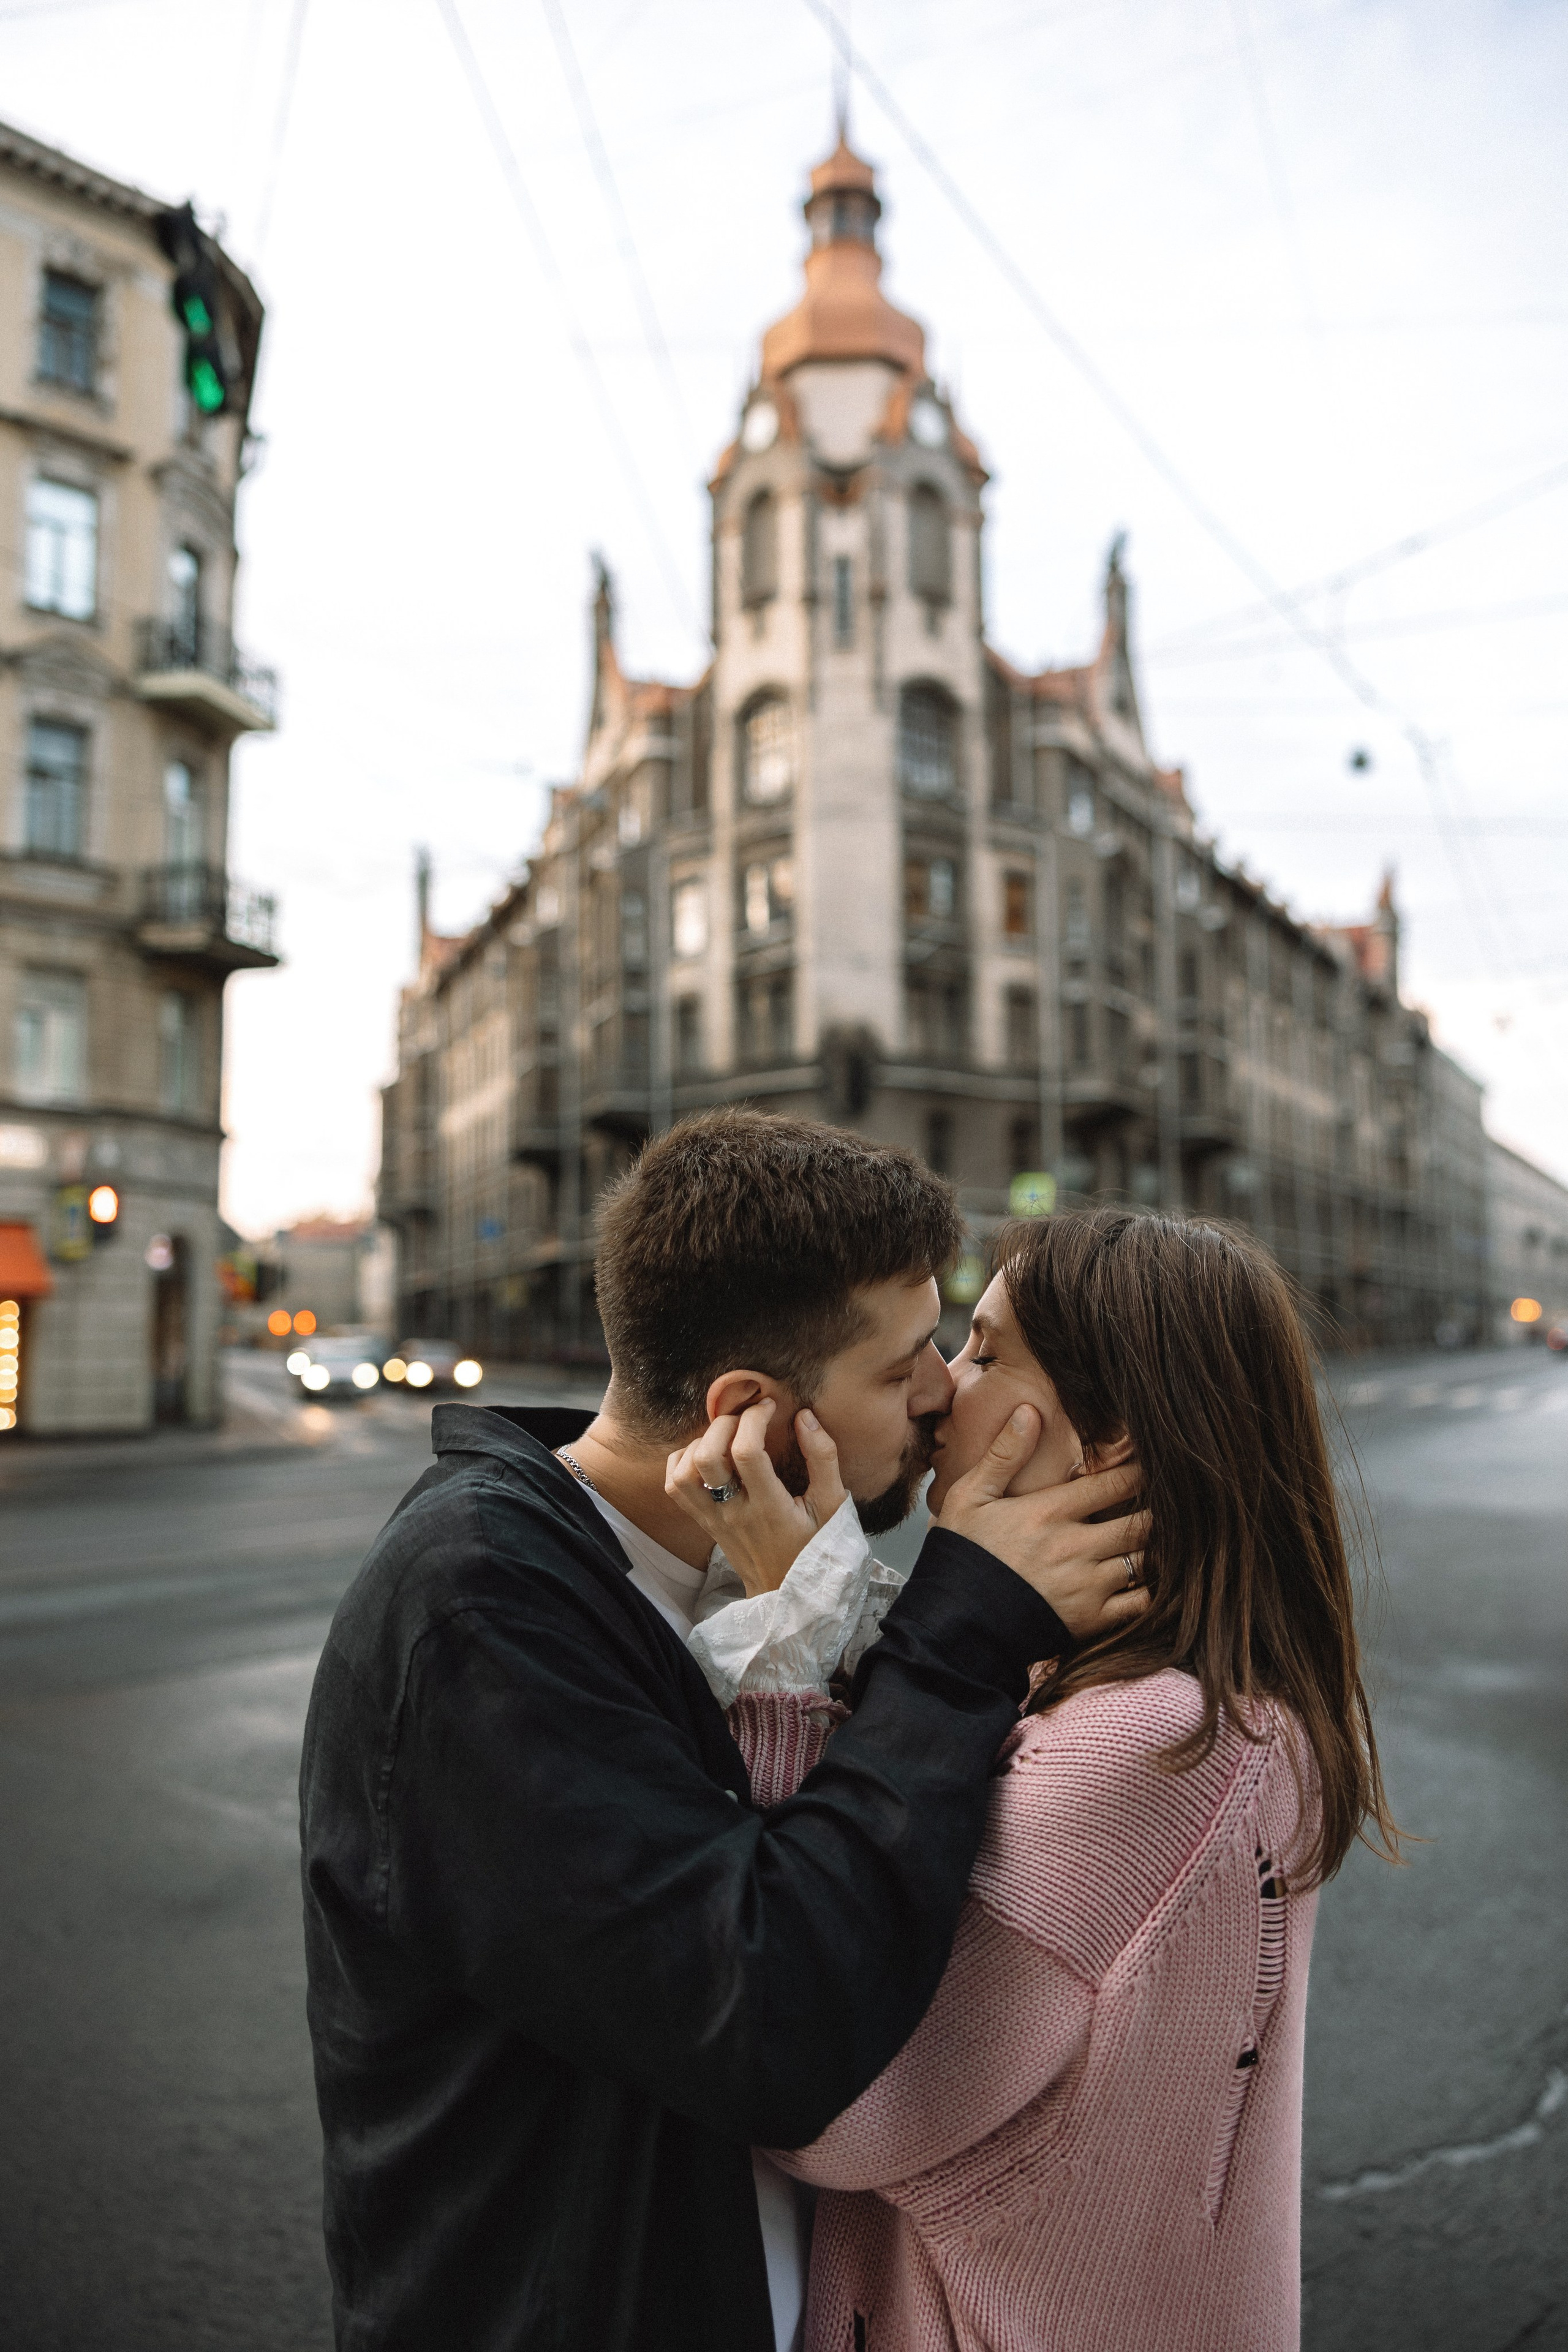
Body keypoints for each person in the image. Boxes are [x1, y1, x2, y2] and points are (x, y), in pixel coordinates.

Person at [299, 1113, 1148, 2352]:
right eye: (900, 1365)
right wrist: (957, 1634)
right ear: (750, 1409)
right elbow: (776, 2023)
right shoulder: (482, 1613)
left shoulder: (732, 1563)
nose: (939, 1392)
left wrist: (822, 1612)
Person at [670, 1204, 1404, 2352]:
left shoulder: (1141, 1750)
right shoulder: (1210, 1697)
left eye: (985, 1350)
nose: (941, 1388)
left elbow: (817, 2091)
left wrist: (787, 1652)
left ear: (1105, 1440)